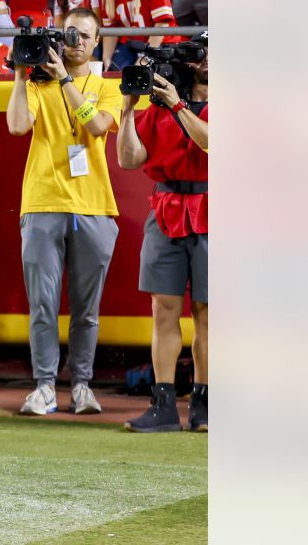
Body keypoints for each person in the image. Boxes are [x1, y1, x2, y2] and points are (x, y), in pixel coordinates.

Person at [5, 7, 120, 417]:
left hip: (94, 205)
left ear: (95, 43)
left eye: (84, 36)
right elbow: (18, 126)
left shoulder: (108, 86)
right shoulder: (37, 82)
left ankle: (83, 386)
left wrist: (65, 80)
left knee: (87, 310)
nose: (75, 42)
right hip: (42, 201)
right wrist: (20, 74)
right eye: (69, 33)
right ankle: (45, 386)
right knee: (42, 304)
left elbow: (96, 127)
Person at [117, 34, 209, 433]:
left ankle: (205, 405)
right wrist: (126, 111)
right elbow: (128, 159)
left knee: (208, 314)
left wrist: (177, 103)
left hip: (213, 207)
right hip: (167, 206)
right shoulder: (157, 109)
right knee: (164, 311)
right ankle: (164, 404)